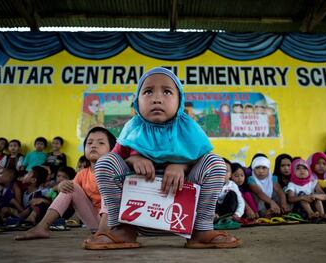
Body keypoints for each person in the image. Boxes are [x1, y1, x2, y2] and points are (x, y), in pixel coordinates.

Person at [84, 67, 240, 250]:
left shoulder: (190, 130)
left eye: (167, 91)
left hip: (184, 217)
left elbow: (203, 163)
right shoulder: (131, 130)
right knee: (105, 162)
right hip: (136, 218)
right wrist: (133, 160)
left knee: (215, 162)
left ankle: (202, 231)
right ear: (137, 102)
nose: (157, 98)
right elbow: (114, 164)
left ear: (180, 100)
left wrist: (182, 165)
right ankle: (121, 230)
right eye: (148, 91)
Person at [15, 127, 116, 240]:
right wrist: (60, 186)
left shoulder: (115, 170)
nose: (93, 145)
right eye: (89, 142)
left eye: (101, 143)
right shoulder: (82, 174)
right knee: (70, 186)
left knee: (111, 187)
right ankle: (42, 227)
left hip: (114, 224)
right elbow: (67, 190)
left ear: (112, 150)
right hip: (94, 221)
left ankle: (104, 231)